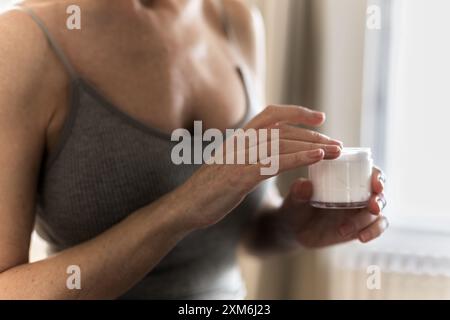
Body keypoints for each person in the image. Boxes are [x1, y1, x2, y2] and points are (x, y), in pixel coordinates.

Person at [0, 0, 387, 299]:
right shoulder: (23, 42)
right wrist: (186, 206)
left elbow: (244, 223)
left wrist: (291, 227)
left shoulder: (236, 22)